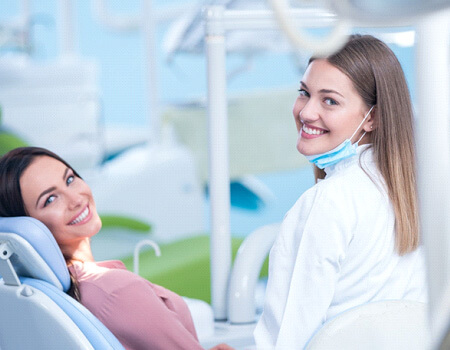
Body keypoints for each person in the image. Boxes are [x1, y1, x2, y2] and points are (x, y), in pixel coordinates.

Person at [254, 34, 428, 349]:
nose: (306, 112)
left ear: (372, 117)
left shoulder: (327, 203)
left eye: (329, 100)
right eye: (304, 93)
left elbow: (288, 339)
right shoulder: (413, 195)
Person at [0, 146, 233, 350]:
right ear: (29, 226)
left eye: (70, 179)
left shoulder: (42, 295)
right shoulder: (115, 291)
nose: (76, 199)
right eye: (50, 199)